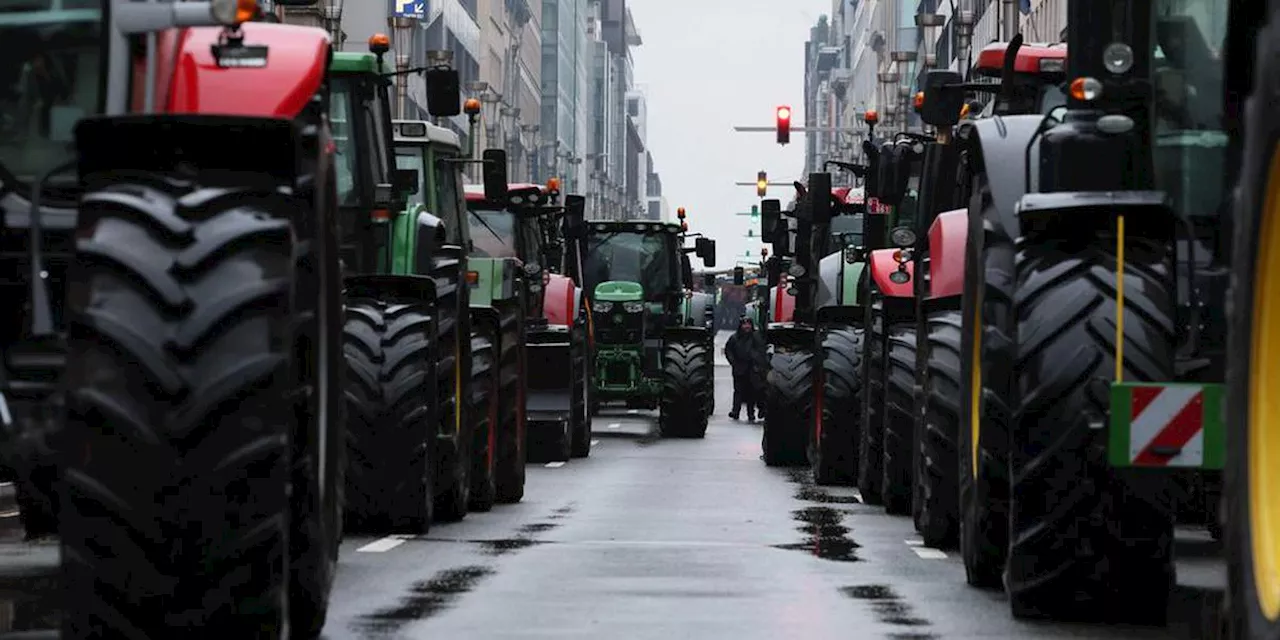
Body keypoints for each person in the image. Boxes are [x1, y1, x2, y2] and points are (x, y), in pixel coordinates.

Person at [724, 316, 765, 421]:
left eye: (748, 324)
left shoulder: (756, 337)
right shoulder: (734, 338)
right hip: (739, 368)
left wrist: (757, 363)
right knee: (738, 391)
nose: (747, 326)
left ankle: (751, 414)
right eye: (744, 324)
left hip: (752, 370)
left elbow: (760, 351)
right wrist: (733, 362)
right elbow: (728, 351)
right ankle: (735, 411)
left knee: (752, 392)